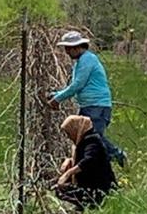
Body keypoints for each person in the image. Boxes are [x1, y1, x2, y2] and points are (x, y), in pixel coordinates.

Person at [48, 31, 126, 167]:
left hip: (96, 106)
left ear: (76, 47)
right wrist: (56, 94)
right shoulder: (82, 61)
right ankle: (103, 167)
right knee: (87, 139)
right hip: (90, 106)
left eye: (68, 48)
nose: (66, 52)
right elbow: (75, 85)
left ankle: (118, 157)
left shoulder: (87, 59)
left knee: (93, 139)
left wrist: (57, 99)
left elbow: (78, 85)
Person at [54, 115, 117, 211]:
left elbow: (88, 160)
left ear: (75, 129)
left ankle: (91, 204)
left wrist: (68, 173)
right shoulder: (84, 141)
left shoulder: (92, 141)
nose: (69, 137)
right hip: (88, 185)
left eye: (69, 133)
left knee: (62, 191)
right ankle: (85, 204)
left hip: (99, 188)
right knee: (59, 189)